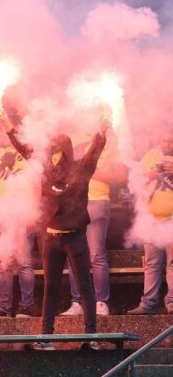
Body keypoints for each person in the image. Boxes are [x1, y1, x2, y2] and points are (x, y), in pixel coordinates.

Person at [0, 110, 108, 351]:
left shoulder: (81, 169)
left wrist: (102, 131)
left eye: (58, 151)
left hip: (75, 237)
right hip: (51, 238)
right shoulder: (45, 169)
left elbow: (94, 151)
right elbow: (24, 149)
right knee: (50, 288)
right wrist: (6, 125)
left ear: (66, 152)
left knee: (85, 287)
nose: (53, 156)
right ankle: (47, 338)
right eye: (52, 151)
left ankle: (91, 337)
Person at [61, 131, 126, 317]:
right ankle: (77, 303)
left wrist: (89, 169)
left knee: (96, 254)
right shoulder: (73, 138)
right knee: (72, 255)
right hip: (73, 201)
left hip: (97, 200)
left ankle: (100, 302)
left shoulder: (111, 141)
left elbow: (119, 175)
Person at [0, 141, 36, 318]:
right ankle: (4, 308)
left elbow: (37, 182)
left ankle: (26, 306)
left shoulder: (29, 149)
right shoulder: (0, 151)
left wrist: (33, 211)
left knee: (24, 262)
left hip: (22, 211)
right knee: (2, 264)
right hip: (2, 213)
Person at [128, 131, 173, 315]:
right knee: (152, 263)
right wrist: (152, 174)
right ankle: (148, 303)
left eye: (170, 140)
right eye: (164, 139)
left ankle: (171, 303)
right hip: (151, 219)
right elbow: (135, 182)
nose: (167, 144)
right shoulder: (150, 156)